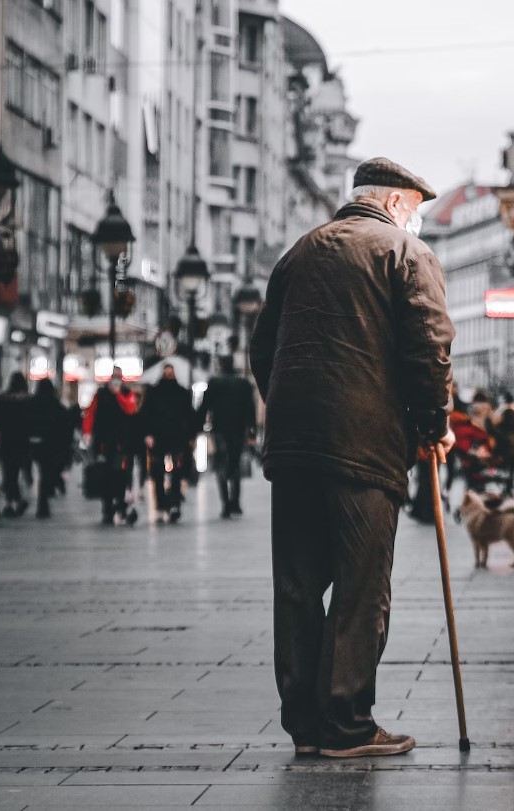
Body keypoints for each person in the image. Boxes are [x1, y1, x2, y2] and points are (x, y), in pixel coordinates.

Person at [249, 156, 455, 758]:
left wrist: (290, 411)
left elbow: (266, 347)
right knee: (362, 588)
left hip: (292, 449)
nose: (414, 221)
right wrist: (432, 424)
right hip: (364, 448)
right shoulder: (403, 253)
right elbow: (429, 345)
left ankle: (306, 724)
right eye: (413, 210)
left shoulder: (300, 252)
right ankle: (346, 723)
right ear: (395, 204)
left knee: (297, 585)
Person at [197, 353, 257, 519]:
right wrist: (251, 430)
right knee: (235, 463)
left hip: (219, 429)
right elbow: (250, 408)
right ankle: (235, 501)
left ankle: (225, 504)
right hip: (238, 429)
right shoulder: (243, 383)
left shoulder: (215, 382)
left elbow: (204, 406)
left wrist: (198, 426)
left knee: (221, 465)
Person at [139, 363, 195, 524]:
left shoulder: (159, 392)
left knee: (170, 472)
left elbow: (188, 416)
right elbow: (146, 414)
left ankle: (170, 504)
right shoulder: (177, 392)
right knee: (161, 472)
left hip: (170, 437)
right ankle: (166, 503)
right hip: (167, 437)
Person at [82, 366, 138, 526]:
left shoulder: (127, 393)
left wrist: (118, 394)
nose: (115, 381)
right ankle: (107, 508)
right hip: (103, 442)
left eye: (118, 378)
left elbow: (130, 409)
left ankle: (120, 505)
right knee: (105, 475)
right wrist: (87, 433)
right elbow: (90, 413)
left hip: (121, 442)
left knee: (120, 474)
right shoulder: (100, 394)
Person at [28, 378, 71, 519]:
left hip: (37, 444)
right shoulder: (55, 405)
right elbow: (65, 423)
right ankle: (43, 502)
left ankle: (43, 503)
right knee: (47, 473)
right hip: (52, 446)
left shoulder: (34, 404)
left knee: (43, 472)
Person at [0, 371, 32, 518]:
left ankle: (12, 503)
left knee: (8, 472)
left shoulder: (1, 400)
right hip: (22, 441)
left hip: (6, 440)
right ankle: (15, 501)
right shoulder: (28, 401)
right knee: (15, 472)